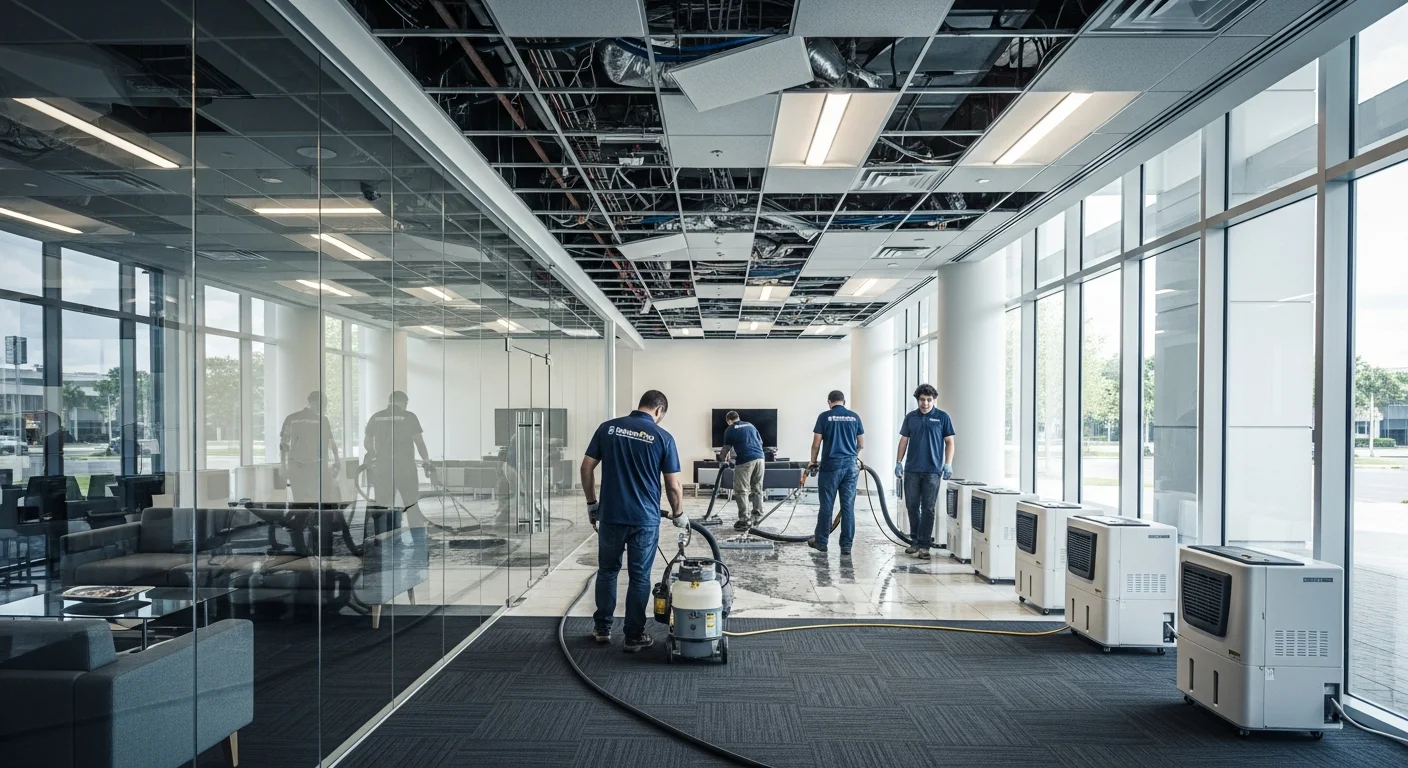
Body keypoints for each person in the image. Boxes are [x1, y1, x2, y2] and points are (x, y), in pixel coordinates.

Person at [580, 390, 687, 653]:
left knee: (607, 570)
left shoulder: (608, 429)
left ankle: (602, 629)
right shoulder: (663, 437)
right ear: (659, 410)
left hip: (611, 515)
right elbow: (673, 485)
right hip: (644, 520)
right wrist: (679, 514)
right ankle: (633, 636)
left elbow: (585, 467)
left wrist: (592, 504)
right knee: (640, 577)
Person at [894, 383, 956, 561]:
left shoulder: (942, 417)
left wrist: (948, 463)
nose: (925, 404)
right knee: (912, 507)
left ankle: (925, 545)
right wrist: (899, 462)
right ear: (917, 400)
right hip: (912, 469)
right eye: (922, 400)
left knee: (928, 508)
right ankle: (915, 541)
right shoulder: (911, 418)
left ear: (934, 400)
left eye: (929, 400)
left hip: (932, 471)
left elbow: (950, 442)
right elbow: (903, 440)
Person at [363, 390, 434, 529]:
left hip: (383, 467)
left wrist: (373, 455)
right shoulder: (409, 416)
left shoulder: (376, 417)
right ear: (404, 402)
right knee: (411, 502)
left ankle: (383, 538)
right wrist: (426, 459)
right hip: (405, 467)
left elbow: (367, 440)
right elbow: (419, 441)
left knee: (383, 504)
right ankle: (417, 537)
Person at [807, 390, 864, 556]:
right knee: (848, 507)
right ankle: (846, 546)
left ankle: (822, 542)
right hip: (851, 467)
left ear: (829, 402)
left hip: (830, 466)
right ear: (844, 402)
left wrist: (813, 462)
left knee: (826, 506)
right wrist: (853, 456)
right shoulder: (855, 417)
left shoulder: (824, 417)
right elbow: (861, 443)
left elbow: (816, 444)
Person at [280, 391, 340, 505]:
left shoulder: (293, 418)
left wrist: (283, 465)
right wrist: (283, 465)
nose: (324, 408)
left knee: (302, 500)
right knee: (313, 500)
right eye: (323, 404)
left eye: (325, 405)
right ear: (312, 402)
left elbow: (283, 443)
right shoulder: (321, 420)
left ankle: (306, 520)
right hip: (312, 467)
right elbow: (284, 443)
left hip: (301, 466)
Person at [720, 410, 765, 531]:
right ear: (738, 417)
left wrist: (722, 461)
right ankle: (757, 517)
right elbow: (760, 442)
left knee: (741, 491)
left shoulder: (730, 429)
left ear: (729, 421)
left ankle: (744, 520)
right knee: (757, 488)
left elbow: (726, 448)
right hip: (760, 458)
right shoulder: (750, 425)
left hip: (745, 460)